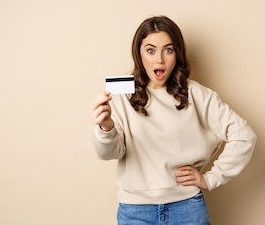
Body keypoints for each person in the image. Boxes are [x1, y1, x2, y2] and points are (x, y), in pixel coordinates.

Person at [90, 15, 256, 224]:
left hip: (187, 208)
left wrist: (211, 178)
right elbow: (109, 153)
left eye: (168, 50)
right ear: (139, 53)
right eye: (150, 50)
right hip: (135, 212)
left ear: (177, 53)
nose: (159, 60)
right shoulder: (121, 95)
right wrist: (106, 128)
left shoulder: (197, 94)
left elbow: (244, 136)